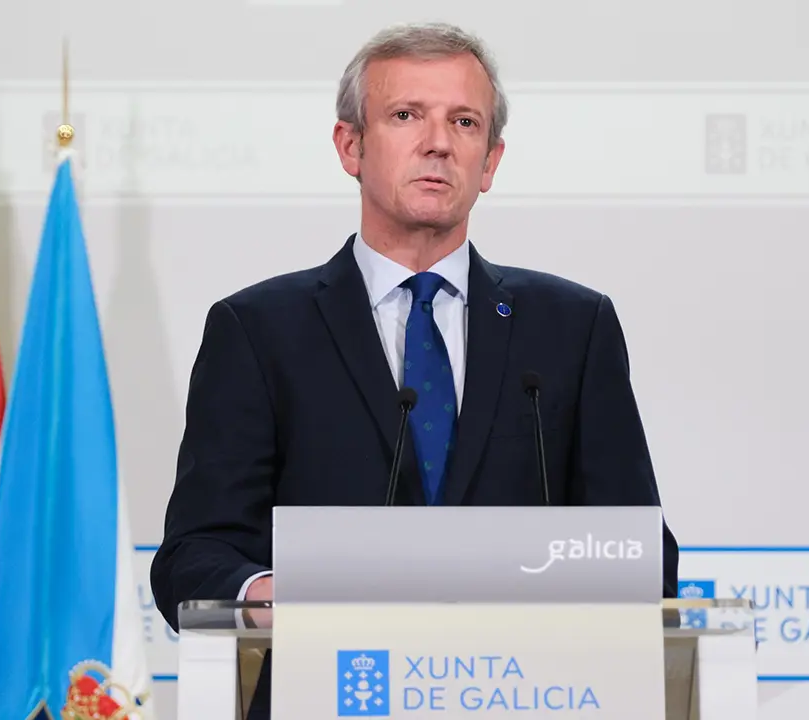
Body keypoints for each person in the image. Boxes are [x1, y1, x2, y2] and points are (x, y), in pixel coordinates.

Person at [151, 21, 679, 718]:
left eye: (464, 122)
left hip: (528, 695)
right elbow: (195, 552)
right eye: (406, 116)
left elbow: (644, 553)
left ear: (489, 162)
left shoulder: (572, 329)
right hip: (329, 691)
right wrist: (264, 594)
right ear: (351, 146)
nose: (438, 142)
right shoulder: (257, 330)